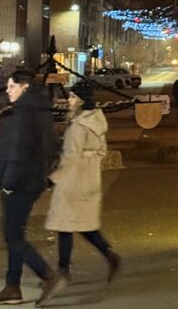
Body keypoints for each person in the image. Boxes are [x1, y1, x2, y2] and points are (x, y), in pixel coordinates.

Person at [0, 69, 65, 307]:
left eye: (12, 86)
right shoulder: (35, 109)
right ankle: (13, 286)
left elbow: (17, 152)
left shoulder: (24, 113)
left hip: (18, 182)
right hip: (28, 181)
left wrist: (8, 182)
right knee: (14, 235)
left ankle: (47, 275)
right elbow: (51, 146)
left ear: (24, 87)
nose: (8, 91)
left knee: (13, 236)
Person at [44, 79, 121, 292]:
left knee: (64, 226)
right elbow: (101, 152)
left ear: (80, 100)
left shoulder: (78, 126)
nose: (68, 100)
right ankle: (109, 253)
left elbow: (70, 158)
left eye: (72, 96)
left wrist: (53, 179)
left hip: (73, 181)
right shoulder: (97, 121)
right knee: (84, 224)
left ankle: (62, 271)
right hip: (90, 178)